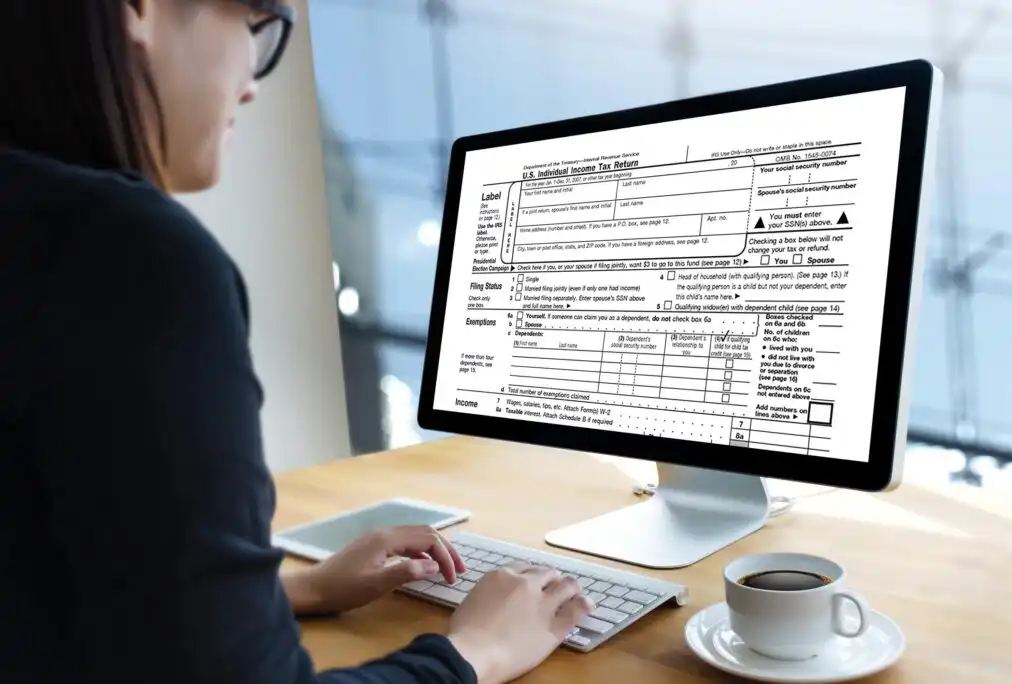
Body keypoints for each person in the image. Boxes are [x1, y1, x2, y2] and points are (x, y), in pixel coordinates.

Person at [0, 2, 593, 683]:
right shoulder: (123, 258)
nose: (253, 82)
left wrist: (290, 590)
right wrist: (474, 652)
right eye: (256, 24)